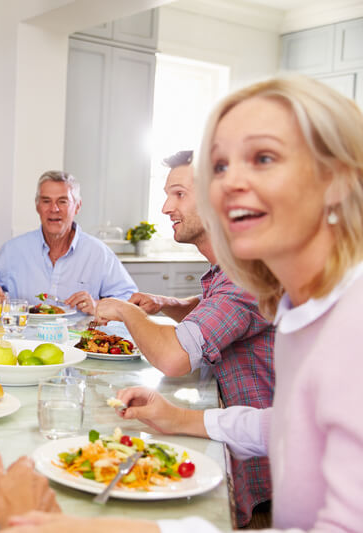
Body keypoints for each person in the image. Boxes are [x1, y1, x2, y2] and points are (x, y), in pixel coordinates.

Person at [0, 76, 363, 532]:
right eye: (220, 167)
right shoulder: (300, 305)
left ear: (337, 181)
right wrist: (180, 418)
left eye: (264, 158)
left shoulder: (351, 326)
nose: (228, 186)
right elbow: (291, 428)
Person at [88, 150, 274, 527]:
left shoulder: (247, 271)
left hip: (264, 468)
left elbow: (174, 359)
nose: (165, 207)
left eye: (178, 194)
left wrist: (128, 311)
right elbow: (221, 317)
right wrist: (168, 303)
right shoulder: (232, 265)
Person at [0, 170, 137, 308]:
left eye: (62, 201)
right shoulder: (13, 250)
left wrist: (97, 304)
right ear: (37, 206)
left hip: (78, 343)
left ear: (77, 206)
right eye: (46, 201)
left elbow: (130, 298)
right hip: (22, 340)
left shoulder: (98, 252)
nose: (53, 209)